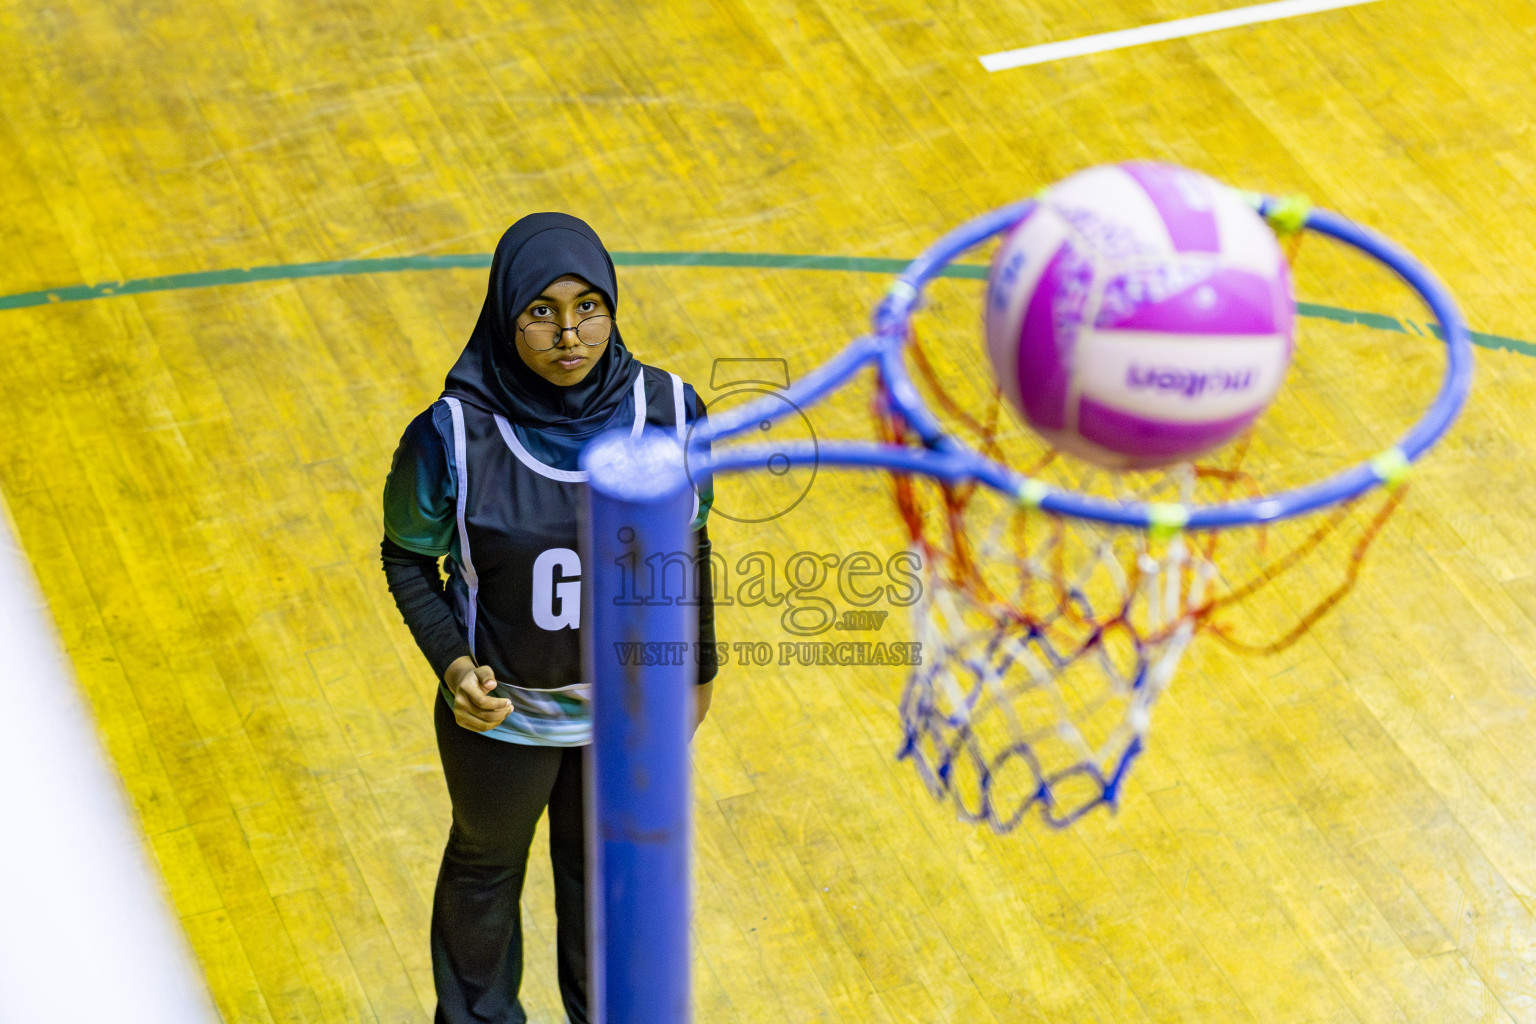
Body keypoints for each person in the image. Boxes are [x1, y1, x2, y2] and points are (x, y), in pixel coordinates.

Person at [379, 212, 718, 1024]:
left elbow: (693, 543)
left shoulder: (671, 408)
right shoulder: (452, 434)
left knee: (603, 881)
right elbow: (404, 558)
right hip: (503, 720)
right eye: (541, 311)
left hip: (625, 716)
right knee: (486, 870)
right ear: (505, 313)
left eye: (589, 306)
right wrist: (454, 667)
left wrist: (699, 671)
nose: (570, 333)